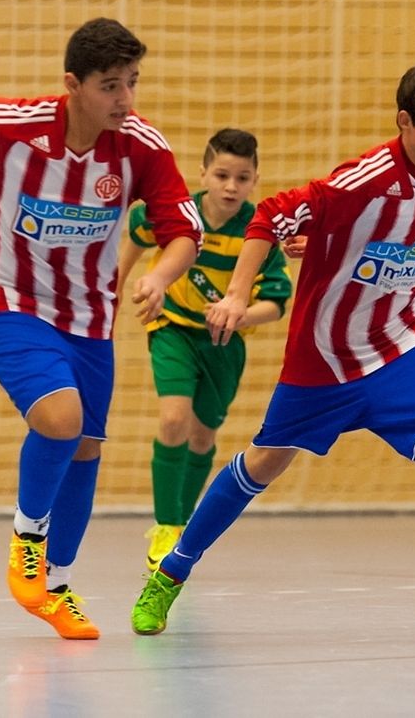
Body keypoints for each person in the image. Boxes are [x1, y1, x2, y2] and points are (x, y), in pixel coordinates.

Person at [130, 60, 415, 636]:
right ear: (405, 121)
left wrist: (323, 239)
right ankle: (170, 574)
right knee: (264, 462)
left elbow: (386, 242)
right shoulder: (364, 178)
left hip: (401, 337)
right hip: (324, 355)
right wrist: (238, 294)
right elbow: (270, 216)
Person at [0, 18, 203, 640]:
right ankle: (27, 538)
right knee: (61, 419)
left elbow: (184, 233)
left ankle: (55, 587)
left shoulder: (140, 147)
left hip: (89, 317)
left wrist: (161, 277)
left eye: (133, 82)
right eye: (111, 86)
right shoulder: (15, 125)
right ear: (73, 85)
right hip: (8, 299)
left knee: (85, 446)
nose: (126, 99)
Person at [116, 128, 292, 571]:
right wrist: (114, 285)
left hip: (223, 343)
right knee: (173, 419)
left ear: (254, 180)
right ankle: (166, 526)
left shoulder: (258, 231)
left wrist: (240, 315)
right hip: (173, 327)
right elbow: (137, 228)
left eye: (242, 178)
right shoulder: (179, 213)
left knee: (202, 436)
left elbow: (276, 303)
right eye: (222, 175)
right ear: (203, 174)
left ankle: (183, 522)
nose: (231, 186)